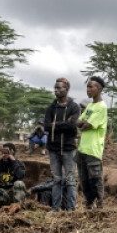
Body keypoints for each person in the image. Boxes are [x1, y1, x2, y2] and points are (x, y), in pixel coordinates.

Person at [44, 78, 81, 211]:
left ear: (66, 89)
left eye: (59, 88)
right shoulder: (51, 108)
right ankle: (55, 208)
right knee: (56, 179)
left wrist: (55, 125)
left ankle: (71, 209)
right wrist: (64, 124)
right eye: (55, 88)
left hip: (68, 149)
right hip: (53, 149)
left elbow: (73, 126)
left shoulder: (74, 107)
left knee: (70, 179)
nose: (56, 90)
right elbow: (46, 127)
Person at [76, 76, 108, 209]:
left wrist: (83, 123)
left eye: (91, 87)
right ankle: (89, 204)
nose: (88, 89)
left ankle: (100, 205)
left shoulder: (101, 107)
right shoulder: (90, 106)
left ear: (99, 89)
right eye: (87, 87)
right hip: (82, 148)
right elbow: (78, 123)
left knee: (95, 179)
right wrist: (82, 123)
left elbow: (85, 125)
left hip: (93, 149)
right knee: (84, 180)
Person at [0, 143, 27, 209]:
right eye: (2, 152)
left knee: (19, 183)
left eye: (5, 152)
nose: (3, 155)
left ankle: (17, 207)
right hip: (3, 193)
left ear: (12, 152)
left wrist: (14, 162)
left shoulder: (19, 164)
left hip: (14, 194)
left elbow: (21, 175)